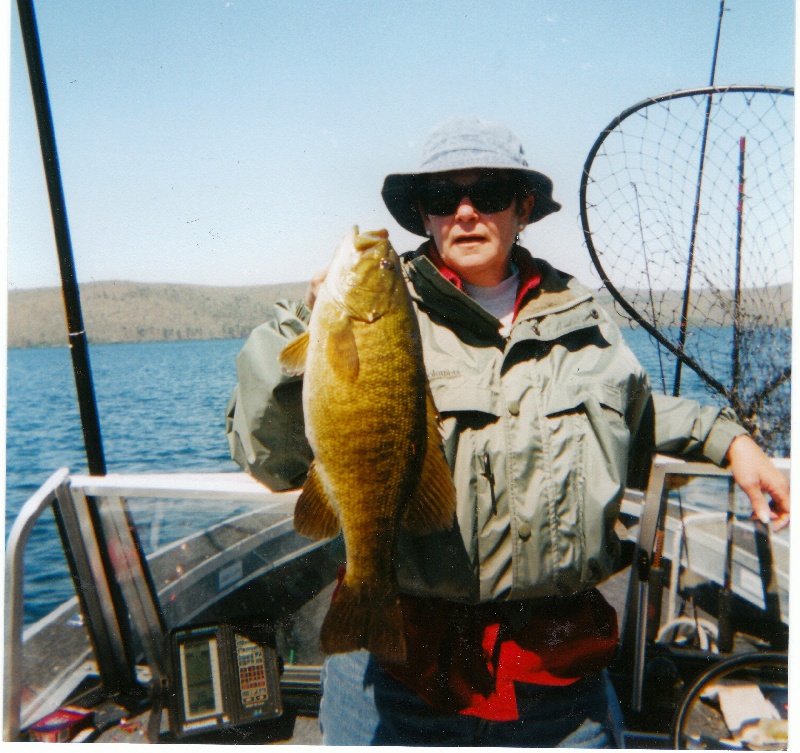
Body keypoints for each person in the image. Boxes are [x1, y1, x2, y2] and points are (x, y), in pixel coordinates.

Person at [226, 117, 790, 747]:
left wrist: (730, 439)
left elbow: (632, 409)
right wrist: (302, 323)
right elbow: (267, 457)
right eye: (443, 198)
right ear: (425, 216)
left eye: (489, 193)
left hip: (555, 674)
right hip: (403, 669)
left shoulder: (582, 318)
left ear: (523, 208)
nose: (465, 213)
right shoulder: (376, 317)